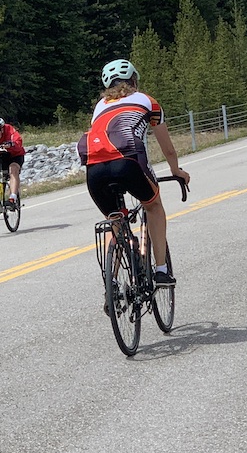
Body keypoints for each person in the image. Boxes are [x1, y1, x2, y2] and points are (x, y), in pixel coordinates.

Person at [78, 59, 190, 286]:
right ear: (134, 80)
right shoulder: (147, 101)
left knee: (114, 220)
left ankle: (113, 284)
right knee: (154, 206)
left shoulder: (100, 106)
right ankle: (161, 270)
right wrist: (176, 170)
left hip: (94, 169)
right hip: (128, 161)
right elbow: (167, 148)